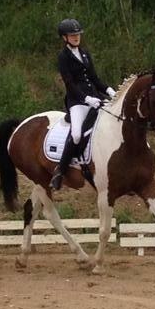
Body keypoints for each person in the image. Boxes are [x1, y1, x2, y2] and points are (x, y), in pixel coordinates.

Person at [51, 18, 116, 191]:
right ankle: (61, 170)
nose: (76, 37)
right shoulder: (63, 57)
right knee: (77, 134)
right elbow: (69, 84)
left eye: (78, 34)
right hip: (77, 101)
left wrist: (109, 91)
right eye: (72, 35)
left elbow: (94, 78)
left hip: (95, 98)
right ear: (64, 37)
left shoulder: (85, 53)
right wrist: (86, 99)